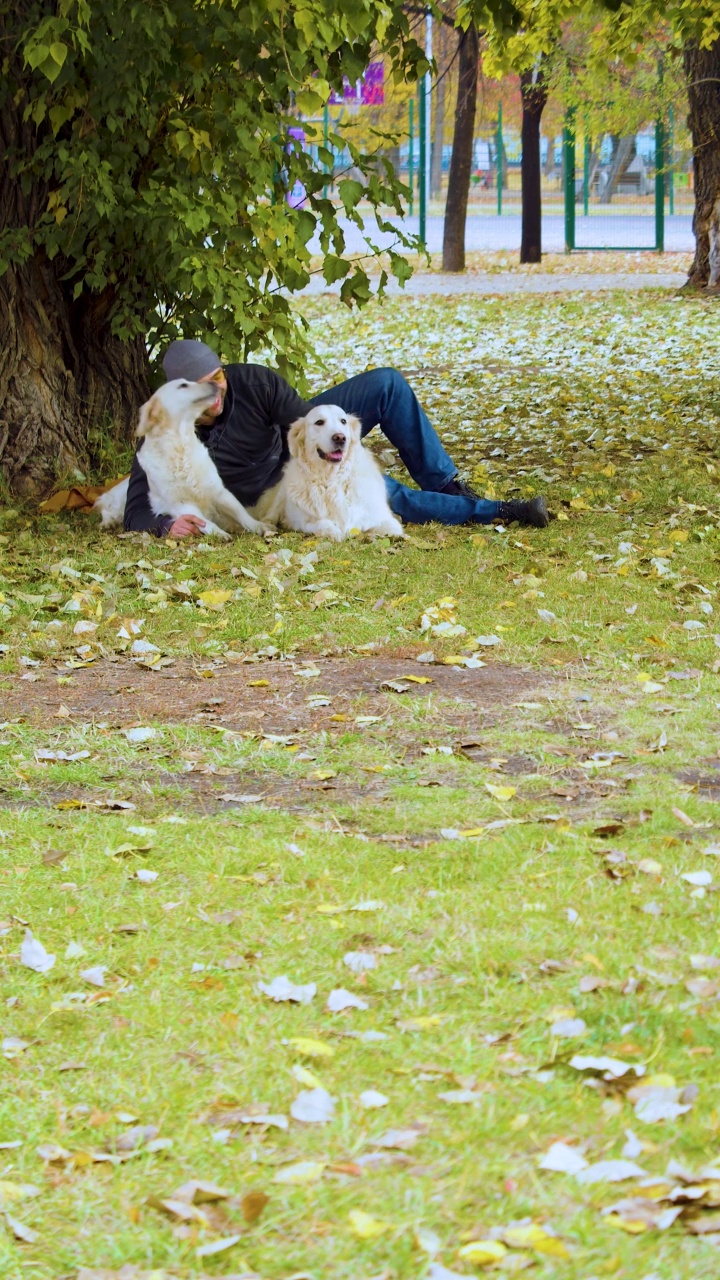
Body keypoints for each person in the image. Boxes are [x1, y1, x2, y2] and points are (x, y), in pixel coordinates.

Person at [123, 340, 549, 537]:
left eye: (217, 379)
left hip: (295, 450)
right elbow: (136, 512)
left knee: (386, 385)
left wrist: (338, 452)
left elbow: (308, 425)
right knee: (384, 494)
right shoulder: (162, 435)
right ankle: (497, 511)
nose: (214, 393)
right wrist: (165, 524)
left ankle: (446, 484)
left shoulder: (253, 381)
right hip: (273, 491)